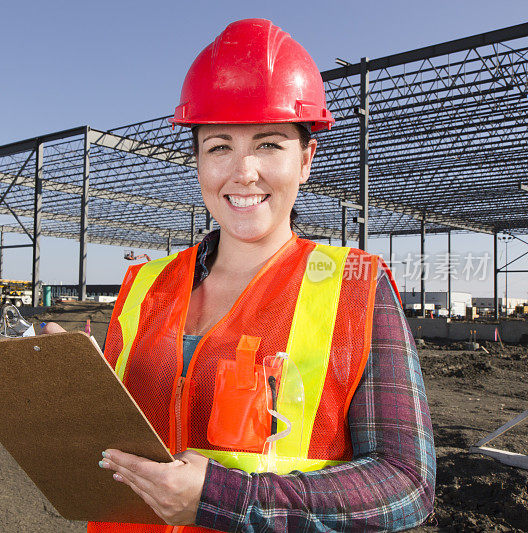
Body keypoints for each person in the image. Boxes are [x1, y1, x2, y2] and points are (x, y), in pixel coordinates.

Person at [45, 18, 435, 532]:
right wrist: (82, 393)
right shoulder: (145, 284)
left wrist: (224, 498)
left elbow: (405, 485)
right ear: (199, 161)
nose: (243, 170)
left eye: (270, 144)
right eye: (219, 146)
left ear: (306, 159)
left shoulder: (355, 287)